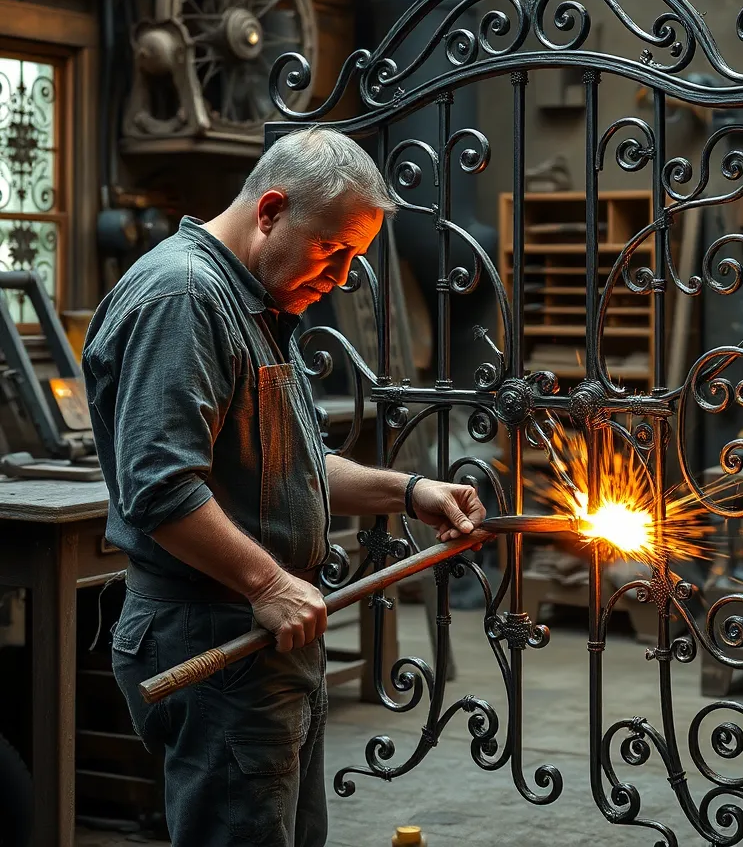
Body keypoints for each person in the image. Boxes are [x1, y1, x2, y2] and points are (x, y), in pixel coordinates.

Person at [82, 127, 486, 847]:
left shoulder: (256, 305)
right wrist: (268, 584)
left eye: (351, 261)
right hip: (215, 630)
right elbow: (162, 488)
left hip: (266, 637)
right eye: (331, 252)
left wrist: (411, 490)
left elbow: (290, 466)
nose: (336, 279)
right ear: (270, 209)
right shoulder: (185, 296)